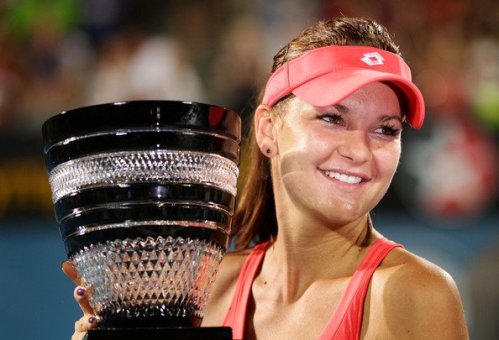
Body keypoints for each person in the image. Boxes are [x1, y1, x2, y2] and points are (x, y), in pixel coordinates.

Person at [63, 17, 469, 339]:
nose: (360, 151)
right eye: (332, 118)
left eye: (386, 129)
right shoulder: (206, 290)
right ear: (267, 130)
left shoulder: (414, 294)